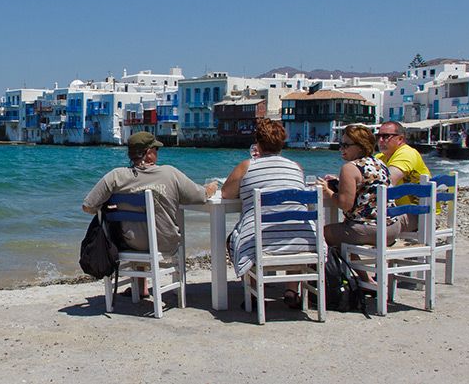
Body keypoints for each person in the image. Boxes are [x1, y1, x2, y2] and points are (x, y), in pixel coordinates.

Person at [82, 131, 217, 296]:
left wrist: (110, 208)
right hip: (165, 242)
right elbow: (200, 196)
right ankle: (158, 289)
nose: (157, 153)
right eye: (156, 149)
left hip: (130, 243)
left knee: (138, 229)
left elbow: (88, 206)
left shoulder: (116, 176)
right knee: (153, 229)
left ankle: (141, 288)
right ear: (148, 153)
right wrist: (211, 187)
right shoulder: (169, 173)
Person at [222, 118, 313, 309]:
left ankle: (253, 292)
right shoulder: (296, 167)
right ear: (282, 143)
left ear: (258, 143)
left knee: (235, 239)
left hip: (262, 242)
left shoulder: (247, 166)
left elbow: (226, 193)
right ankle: (291, 290)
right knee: (291, 226)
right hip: (304, 240)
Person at [318, 125, 402, 251]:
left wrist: (327, 190)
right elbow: (368, 186)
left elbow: (344, 204)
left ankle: (339, 270)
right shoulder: (379, 163)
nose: (341, 148)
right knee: (341, 235)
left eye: (346, 145)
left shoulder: (349, 168)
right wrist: (340, 182)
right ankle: (357, 271)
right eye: (341, 144)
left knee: (318, 235)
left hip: (369, 229)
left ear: (360, 146)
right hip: (392, 229)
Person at [375, 120, 432, 232]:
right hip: (402, 211)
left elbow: (387, 181)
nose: (380, 140)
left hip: (421, 214)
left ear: (400, 139)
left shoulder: (407, 153)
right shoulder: (381, 157)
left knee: (364, 227)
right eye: (378, 136)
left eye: (386, 136)